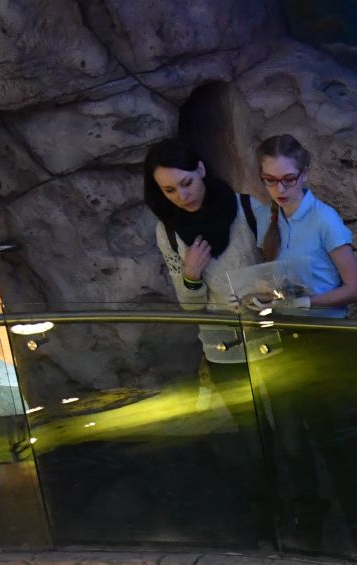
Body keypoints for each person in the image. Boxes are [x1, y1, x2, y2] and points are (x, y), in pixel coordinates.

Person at [248, 134, 357, 556]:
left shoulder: (324, 219)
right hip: (290, 342)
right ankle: (312, 535)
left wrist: (306, 302)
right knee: (296, 444)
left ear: (304, 175)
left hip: (331, 342)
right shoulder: (273, 220)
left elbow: (356, 288)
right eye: (271, 180)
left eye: (288, 179)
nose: (280, 189)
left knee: (347, 449)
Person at [141, 137, 274, 544]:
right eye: (168, 190)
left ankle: (309, 514)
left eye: (185, 183)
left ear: (200, 169)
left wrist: (262, 292)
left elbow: (282, 270)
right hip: (221, 347)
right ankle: (267, 520)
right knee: (253, 437)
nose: (181, 196)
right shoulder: (168, 229)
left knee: (290, 428)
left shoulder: (249, 209)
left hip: (269, 339)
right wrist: (192, 274)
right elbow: (190, 307)